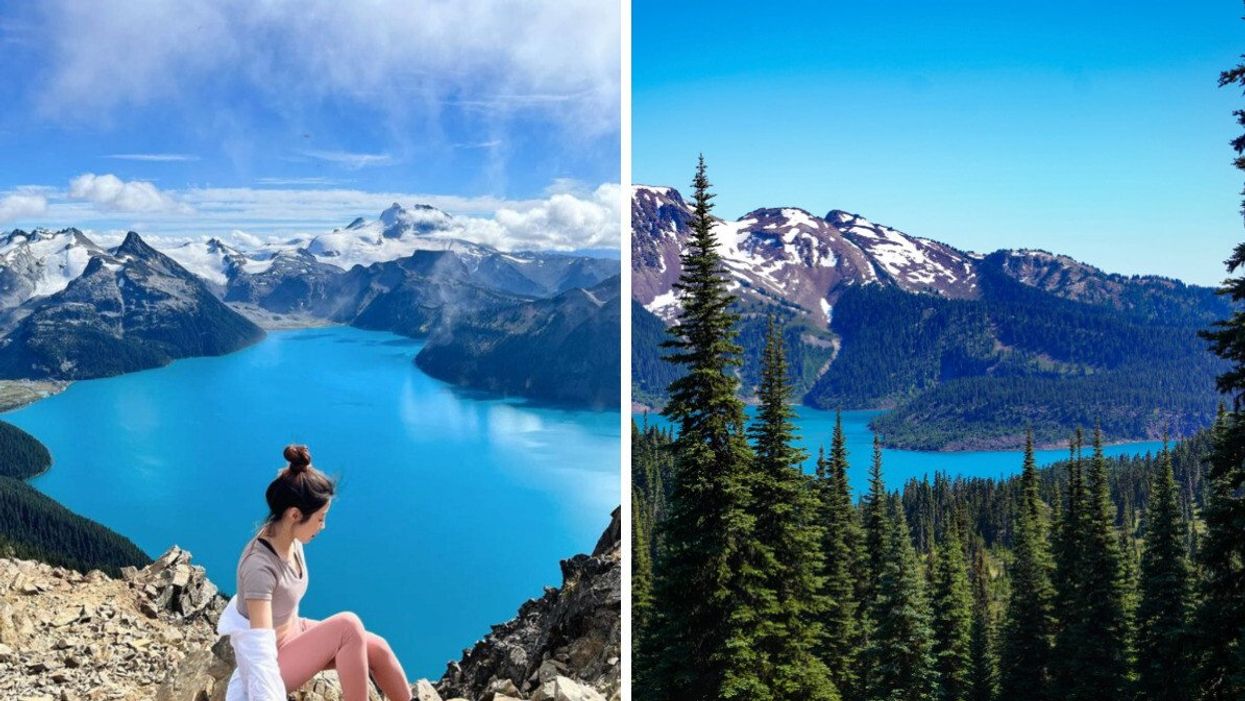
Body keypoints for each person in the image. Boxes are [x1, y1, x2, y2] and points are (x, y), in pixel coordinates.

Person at [221, 444, 413, 701]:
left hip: (293, 632)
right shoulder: (260, 567)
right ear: (294, 514)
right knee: (348, 625)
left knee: (377, 648)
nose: (323, 526)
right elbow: (259, 650)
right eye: (320, 518)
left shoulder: (290, 538)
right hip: (274, 659)